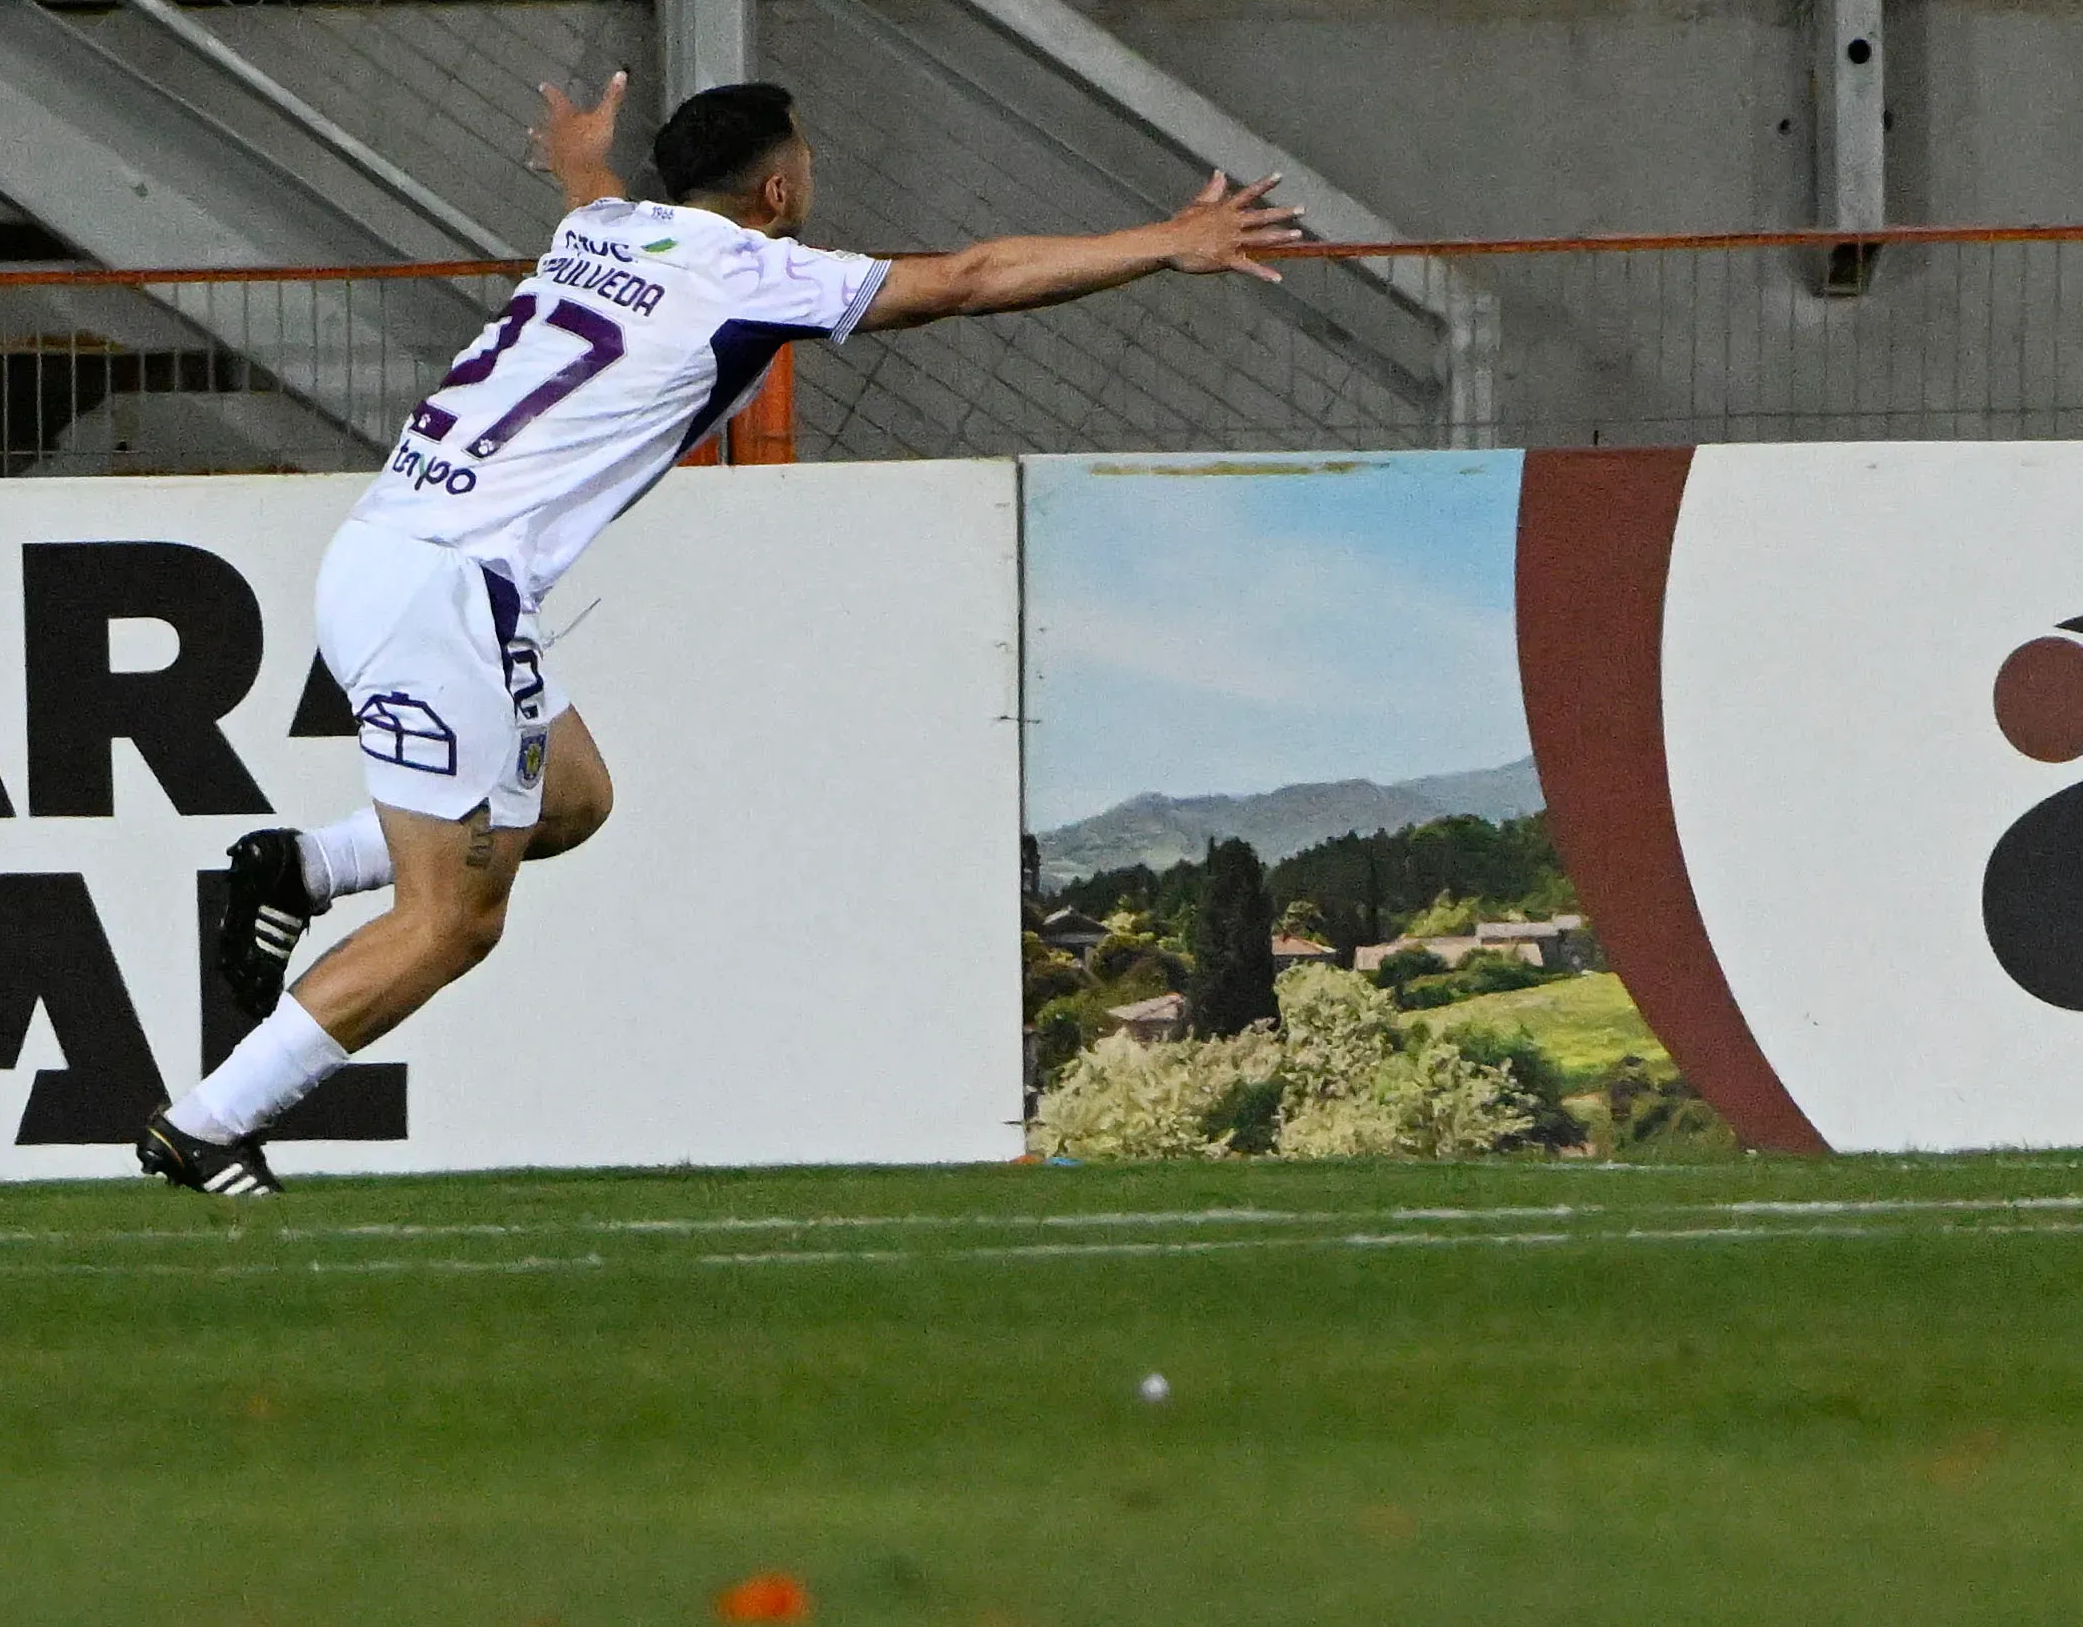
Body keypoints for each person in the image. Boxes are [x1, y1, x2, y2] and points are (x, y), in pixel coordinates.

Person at [140, 75, 1308, 1194]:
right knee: (451, 923)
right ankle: (206, 1123)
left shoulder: (602, 234)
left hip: (393, 554)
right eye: (807, 161)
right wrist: (1167, 239)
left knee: (573, 800)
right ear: (779, 192)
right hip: (447, 590)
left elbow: (597, 205)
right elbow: (965, 277)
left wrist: (580, 163)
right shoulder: (751, 272)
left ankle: (296, 865)